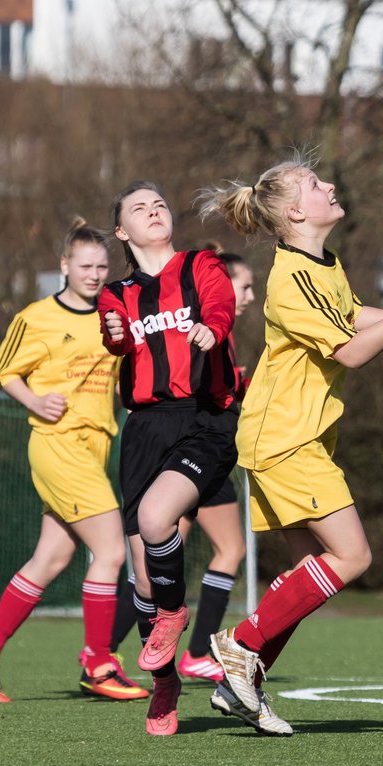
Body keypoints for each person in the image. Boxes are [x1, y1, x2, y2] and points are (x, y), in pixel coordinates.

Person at [196, 157, 383, 736]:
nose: (330, 185)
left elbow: (348, 315)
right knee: (353, 557)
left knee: (308, 570)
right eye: (316, 185)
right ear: (295, 212)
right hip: (285, 438)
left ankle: (238, 682)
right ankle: (240, 646)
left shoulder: (321, 263)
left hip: (289, 435)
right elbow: (352, 352)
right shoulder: (288, 279)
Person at [0, 218, 146, 704]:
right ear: (64, 265)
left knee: (53, 557)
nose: (95, 273)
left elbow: (122, 375)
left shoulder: (113, 313)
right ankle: (99, 662)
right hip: (58, 445)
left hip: (95, 446)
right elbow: (2, 371)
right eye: (85, 265)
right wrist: (35, 402)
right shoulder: (37, 317)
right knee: (111, 552)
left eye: (102, 266)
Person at [98, 181, 240, 736]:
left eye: (159, 203)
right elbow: (118, 339)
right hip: (145, 427)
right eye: (139, 208)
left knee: (158, 521)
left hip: (205, 416)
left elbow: (221, 303)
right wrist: (113, 334)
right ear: (121, 231)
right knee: (141, 576)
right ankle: (165, 683)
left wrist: (213, 327)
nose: (154, 211)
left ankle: (175, 615)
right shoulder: (119, 293)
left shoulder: (200, 265)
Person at [107, 245, 254, 685]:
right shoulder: (182, 311)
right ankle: (115, 652)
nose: (247, 295)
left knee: (226, 548)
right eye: (243, 285)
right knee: (153, 570)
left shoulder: (218, 327)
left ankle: (193, 647)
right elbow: (125, 348)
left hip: (204, 440)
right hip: (168, 438)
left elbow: (222, 381)